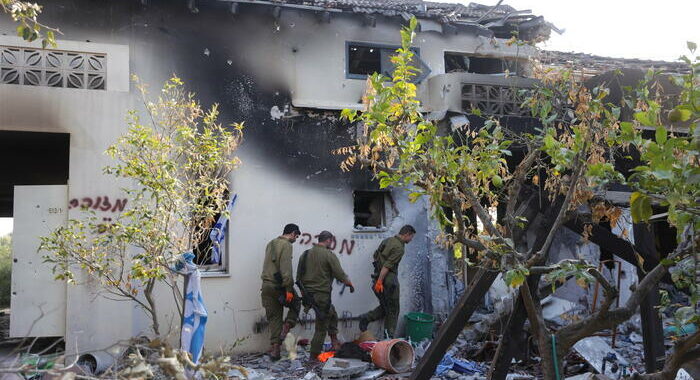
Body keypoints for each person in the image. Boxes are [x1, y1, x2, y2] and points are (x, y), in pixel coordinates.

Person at [296, 231, 354, 360]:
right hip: (322, 296)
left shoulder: (305, 255)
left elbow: (298, 278)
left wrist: (304, 295)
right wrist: (350, 284)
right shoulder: (329, 255)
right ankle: (313, 356)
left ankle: (334, 343)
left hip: (308, 295)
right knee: (321, 327)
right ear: (328, 240)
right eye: (331, 241)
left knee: (332, 314)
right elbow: (340, 274)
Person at [358, 224, 416, 338]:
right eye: (411, 237)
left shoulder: (387, 240)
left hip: (377, 278)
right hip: (388, 281)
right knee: (393, 310)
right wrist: (380, 281)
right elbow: (387, 266)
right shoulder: (399, 248)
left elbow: (375, 257)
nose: (411, 239)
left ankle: (366, 318)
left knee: (386, 307)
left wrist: (378, 279)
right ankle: (388, 339)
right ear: (407, 234)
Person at [260, 223, 302, 361]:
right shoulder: (287, 245)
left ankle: (275, 349)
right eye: (296, 236)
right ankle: (287, 326)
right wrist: (289, 289)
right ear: (292, 233)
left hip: (266, 286)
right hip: (279, 286)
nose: (295, 239)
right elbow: (286, 269)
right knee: (296, 303)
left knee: (274, 318)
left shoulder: (270, 243)